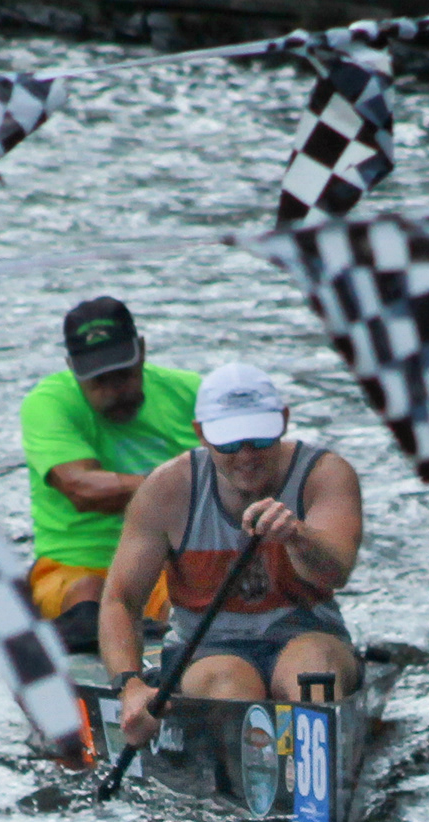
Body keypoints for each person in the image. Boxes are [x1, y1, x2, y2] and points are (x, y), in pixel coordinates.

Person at [95, 363, 364, 749]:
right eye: (230, 443)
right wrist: (130, 686)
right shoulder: (168, 490)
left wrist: (299, 537)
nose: (247, 455)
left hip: (307, 633)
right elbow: (121, 599)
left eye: (259, 439)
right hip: (210, 650)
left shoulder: (326, 474)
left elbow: (336, 571)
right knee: (229, 685)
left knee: (315, 668)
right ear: (202, 433)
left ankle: (312, 775)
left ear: (284, 422)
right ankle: (250, 765)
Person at [20, 298, 198, 654]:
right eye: (99, 380)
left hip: (169, 562)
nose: (114, 389)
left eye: (123, 373)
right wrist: (190, 484)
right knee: (88, 596)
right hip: (75, 566)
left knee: (193, 598)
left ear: (142, 352)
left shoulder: (194, 393)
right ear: (72, 368)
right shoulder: (48, 403)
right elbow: (83, 490)